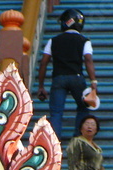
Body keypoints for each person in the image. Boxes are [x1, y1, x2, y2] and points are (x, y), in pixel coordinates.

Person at [36, 8, 98, 140]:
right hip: (77, 78)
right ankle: (78, 137)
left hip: (59, 78)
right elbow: (88, 59)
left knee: (56, 112)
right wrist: (93, 81)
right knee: (83, 107)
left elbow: (44, 63)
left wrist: (41, 86)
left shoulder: (53, 41)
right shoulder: (84, 40)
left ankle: (54, 142)